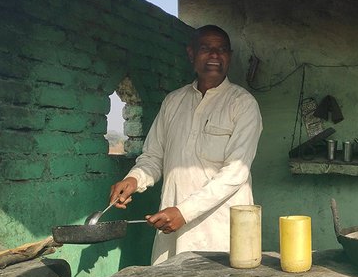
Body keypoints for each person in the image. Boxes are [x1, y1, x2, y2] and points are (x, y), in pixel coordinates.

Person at [109, 25, 262, 264]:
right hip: (172, 227)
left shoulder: (243, 104)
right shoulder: (173, 102)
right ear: (191, 54)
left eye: (221, 49)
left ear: (229, 57)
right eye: (206, 48)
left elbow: (236, 172)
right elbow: (153, 157)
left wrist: (184, 212)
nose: (214, 55)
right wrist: (134, 180)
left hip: (219, 231)